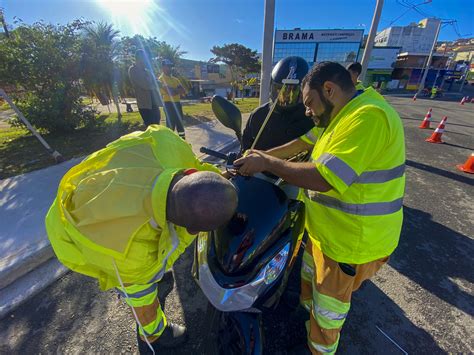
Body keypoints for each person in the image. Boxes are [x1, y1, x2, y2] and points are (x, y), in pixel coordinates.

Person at [234, 62, 405, 354]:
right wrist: (259, 155)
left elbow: (325, 177)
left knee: (329, 311)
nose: (307, 111)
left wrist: (266, 163)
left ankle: (318, 348)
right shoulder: (341, 115)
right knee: (310, 291)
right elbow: (302, 142)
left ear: (329, 89)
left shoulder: (368, 117)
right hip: (324, 233)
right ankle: (305, 326)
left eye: (309, 102)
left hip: (350, 243)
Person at [45, 125, 238, 354]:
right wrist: (152, 323)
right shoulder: (132, 253)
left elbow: (195, 168)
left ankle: (159, 284)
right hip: (70, 230)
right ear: (193, 229)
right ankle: (156, 336)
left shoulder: (166, 143)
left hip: (99, 185)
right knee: (143, 295)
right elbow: (142, 300)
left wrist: (220, 178)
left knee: (155, 267)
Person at [242, 56, 315, 151]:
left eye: (294, 91)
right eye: (279, 89)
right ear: (271, 87)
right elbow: (245, 149)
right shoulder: (259, 115)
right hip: (259, 166)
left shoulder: (312, 118)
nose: (286, 96)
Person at [129, 50, 162, 127]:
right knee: (151, 128)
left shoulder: (148, 71)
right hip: (145, 105)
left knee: (157, 126)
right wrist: (155, 85)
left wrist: (156, 83)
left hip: (154, 104)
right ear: (139, 58)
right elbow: (145, 85)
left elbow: (158, 82)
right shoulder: (133, 70)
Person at [159, 59, 186, 139]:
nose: (170, 68)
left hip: (177, 103)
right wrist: (175, 90)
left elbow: (183, 91)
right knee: (171, 125)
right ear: (163, 67)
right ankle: (170, 143)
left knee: (180, 125)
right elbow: (171, 93)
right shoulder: (161, 79)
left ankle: (182, 141)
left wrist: (172, 89)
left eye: (171, 67)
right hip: (168, 104)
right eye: (168, 66)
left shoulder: (175, 79)